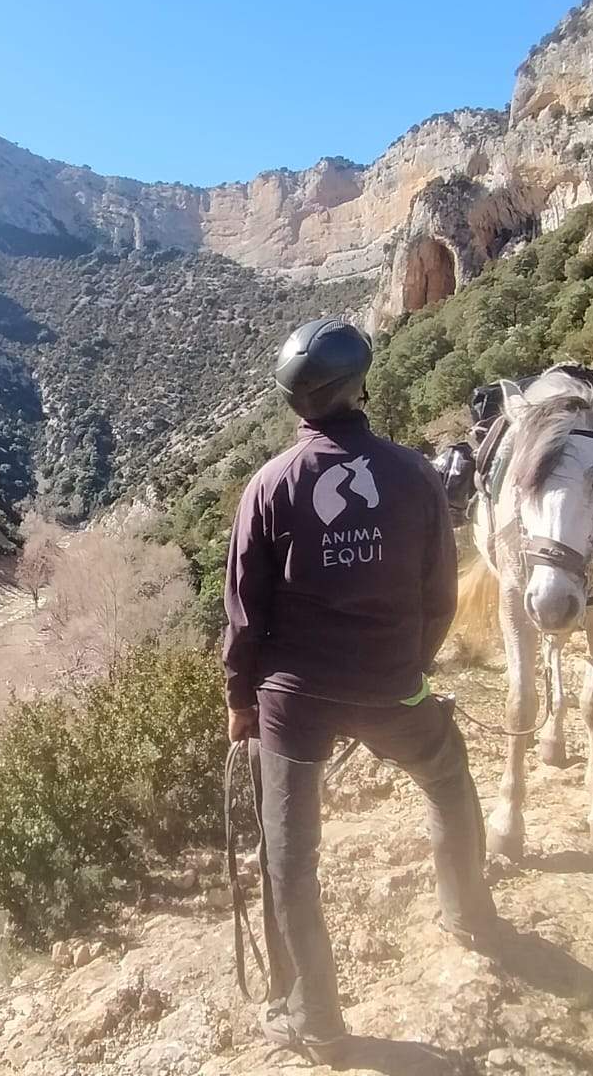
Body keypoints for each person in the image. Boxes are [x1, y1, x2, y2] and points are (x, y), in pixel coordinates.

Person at [223, 317, 497, 1064]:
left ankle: (314, 1019)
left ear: (293, 403)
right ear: (361, 386)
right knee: (446, 780)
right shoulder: (412, 474)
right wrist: (411, 663)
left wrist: (240, 701)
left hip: (293, 700)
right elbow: (440, 589)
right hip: (391, 683)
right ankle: (471, 916)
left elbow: (245, 614)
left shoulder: (270, 485)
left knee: (289, 859)